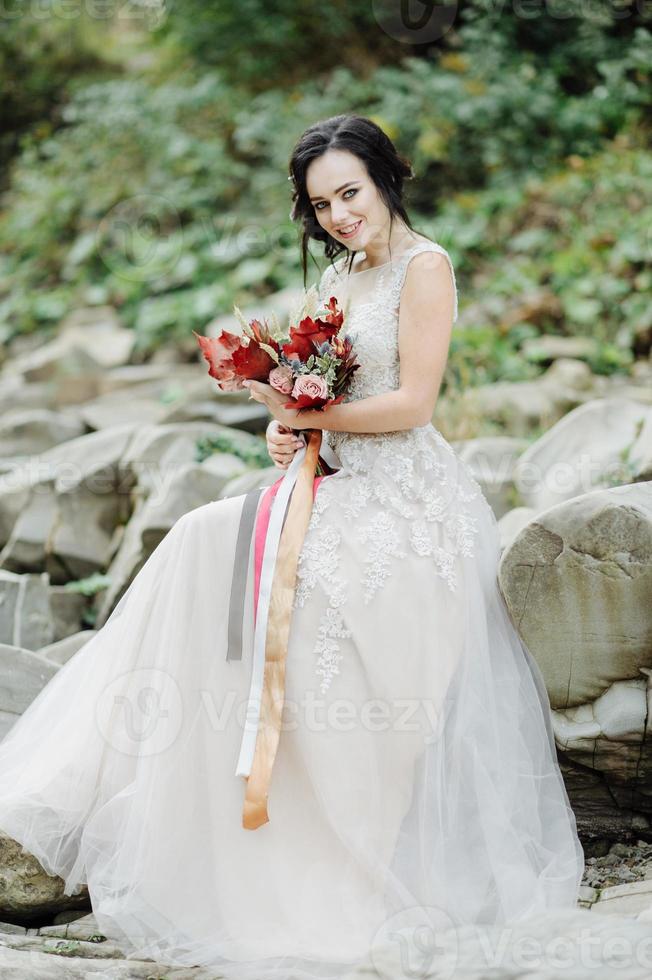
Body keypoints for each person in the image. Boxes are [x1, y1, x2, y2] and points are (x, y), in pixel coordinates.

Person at [0, 112, 637, 980]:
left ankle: (322, 854)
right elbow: (315, 401)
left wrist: (308, 415)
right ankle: (137, 794)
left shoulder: (427, 269)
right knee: (198, 538)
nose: (340, 214)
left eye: (350, 192)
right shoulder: (335, 276)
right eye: (322, 203)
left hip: (408, 504)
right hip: (333, 482)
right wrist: (291, 436)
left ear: (384, 180)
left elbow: (412, 403)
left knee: (299, 602)